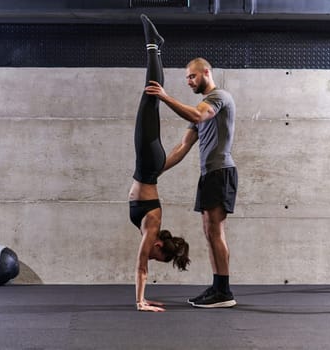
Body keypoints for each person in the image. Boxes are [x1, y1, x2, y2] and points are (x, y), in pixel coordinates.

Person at [144, 57, 238, 308]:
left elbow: (198, 115)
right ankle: (218, 286)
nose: (188, 81)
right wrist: (154, 172)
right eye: (186, 78)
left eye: (192, 76)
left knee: (215, 230)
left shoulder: (219, 98)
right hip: (209, 175)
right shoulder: (201, 110)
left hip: (220, 172)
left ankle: (224, 291)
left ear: (206, 72)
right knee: (209, 231)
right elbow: (182, 146)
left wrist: (164, 97)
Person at [128, 14, 190, 312]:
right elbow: (141, 266)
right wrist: (141, 302)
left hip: (150, 168)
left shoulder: (150, 230)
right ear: (159, 247)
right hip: (148, 167)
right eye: (159, 257)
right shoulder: (151, 229)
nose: (153, 258)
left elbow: (176, 154)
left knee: (150, 100)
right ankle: (154, 44)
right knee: (151, 96)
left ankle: (155, 45)